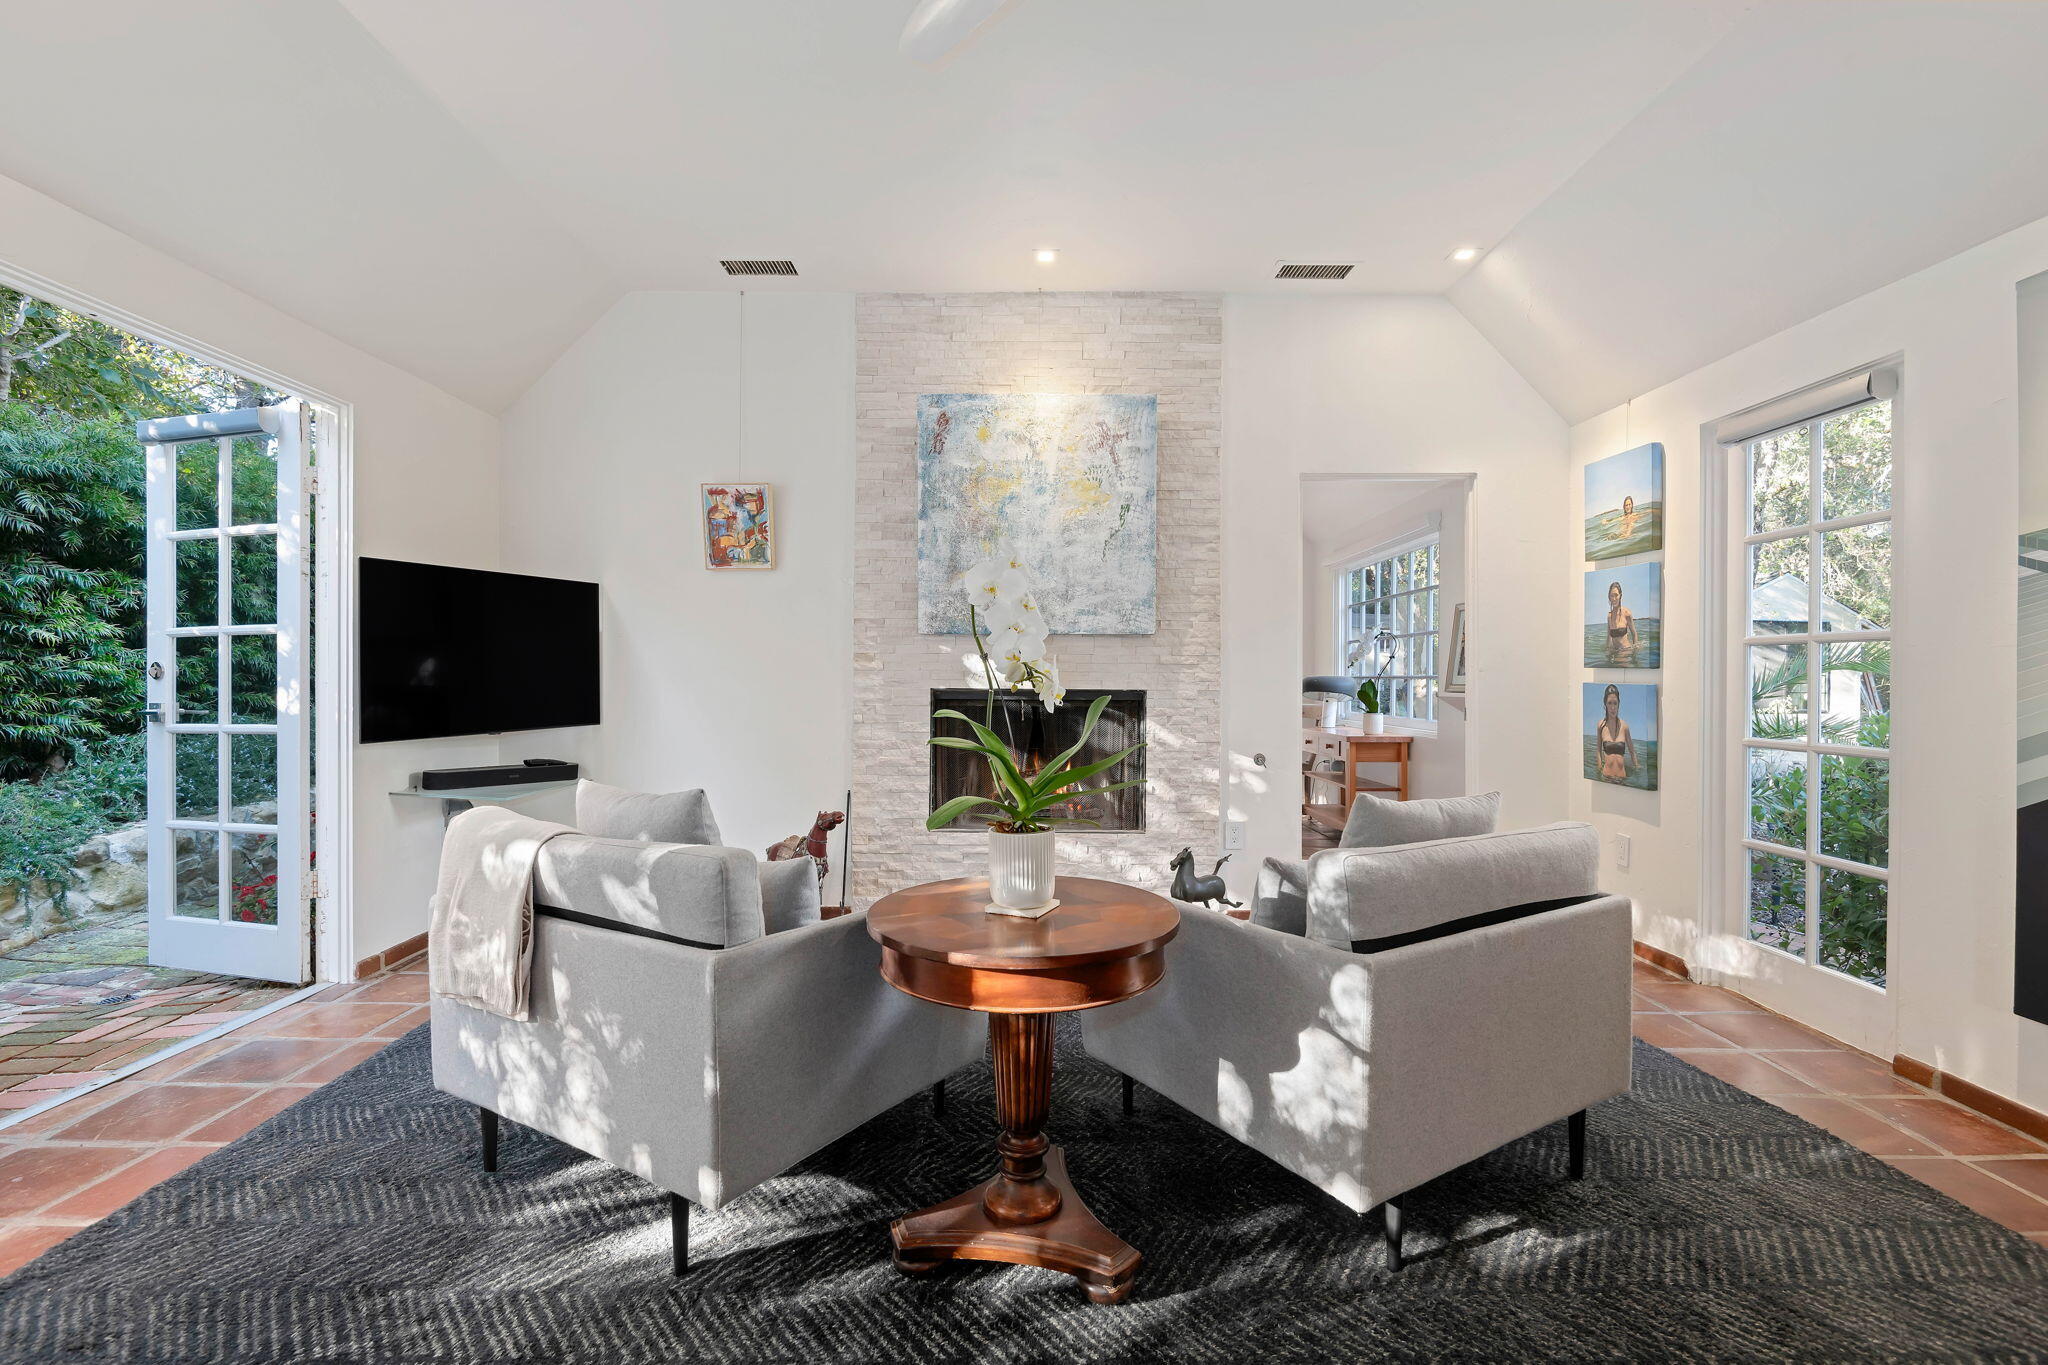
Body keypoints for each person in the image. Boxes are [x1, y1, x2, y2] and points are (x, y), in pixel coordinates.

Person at [1596, 683, 1636, 783]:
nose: (1613, 707)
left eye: (1615, 703)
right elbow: (1598, 751)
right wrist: (1599, 768)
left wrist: (1637, 767)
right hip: (1605, 777)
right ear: (1605, 704)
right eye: (1609, 703)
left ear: (1619, 704)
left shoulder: (1625, 726)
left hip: (1622, 779)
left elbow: (1632, 752)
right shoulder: (1601, 725)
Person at [1604, 581, 1638, 665]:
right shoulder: (1609, 616)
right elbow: (1608, 637)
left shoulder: (1627, 613)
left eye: (1616, 595)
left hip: (1626, 652)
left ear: (1620, 595)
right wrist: (1607, 652)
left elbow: (1634, 634)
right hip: (1614, 652)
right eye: (1612, 596)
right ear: (1609, 597)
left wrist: (1634, 654)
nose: (1614, 598)